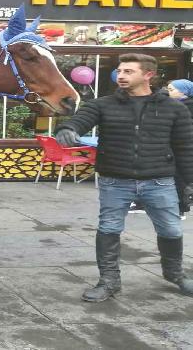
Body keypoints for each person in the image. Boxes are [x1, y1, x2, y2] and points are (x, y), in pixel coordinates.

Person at [55, 54, 193, 302]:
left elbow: (185, 147)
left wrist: (190, 182)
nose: (121, 75)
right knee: (109, 228)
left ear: (148, 74)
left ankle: (174, 274)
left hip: (159, 181)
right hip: (115, 181)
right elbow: (80, 120)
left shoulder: (174, 108)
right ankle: (109, 281)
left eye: (129, 71)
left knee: (171, 230)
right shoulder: (103, 104)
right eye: (120, 71)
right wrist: (68, 129)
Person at [168, 79, 193, 219]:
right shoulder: (174, 105)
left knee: (179, 177)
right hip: (174, 145)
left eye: (172, 89)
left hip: (184, 147)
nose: (169, 92)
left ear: (183, 91)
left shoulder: (187, 107)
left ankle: (181, 207)